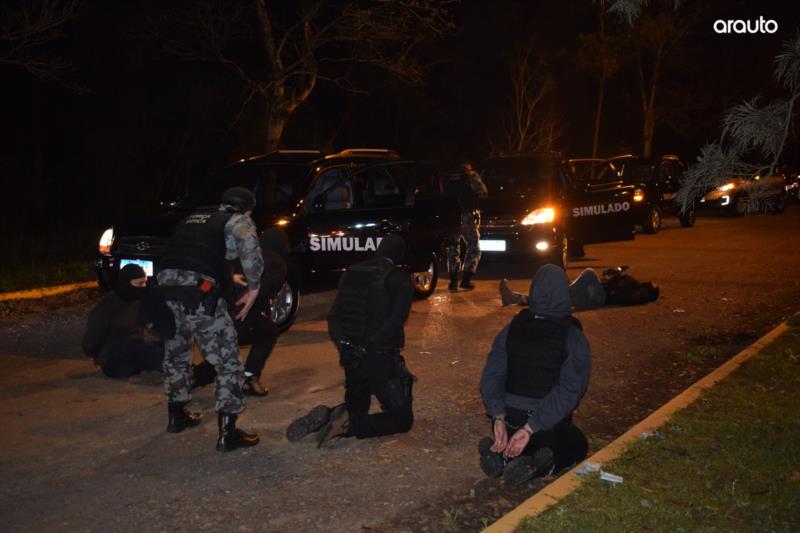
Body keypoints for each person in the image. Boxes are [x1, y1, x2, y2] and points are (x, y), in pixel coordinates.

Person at [157, 186, 264, 452]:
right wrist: (254, 286)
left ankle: (176, 416)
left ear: (221, 203)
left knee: (176, 353)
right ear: (248, 209)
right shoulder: (238, 220)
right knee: (228, 363)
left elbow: (192, 255)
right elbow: (249, 246)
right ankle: (228, 434)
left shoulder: (193, 218)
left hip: (166, 290)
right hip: (198, 295)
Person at [286, 234, 415, 446]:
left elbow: (334, 317)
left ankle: (330, 416)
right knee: (402, 421)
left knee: (357, 409)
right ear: (398, 255)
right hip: (379, 360)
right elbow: (394, 322)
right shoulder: (398, 278)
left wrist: (344, 346)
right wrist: (367, 347)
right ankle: (351, 427)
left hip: (351, 360)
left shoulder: (352, 273)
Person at [479, 264, 591, 484]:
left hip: (509, 419)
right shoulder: (572, 335)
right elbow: (570, 390)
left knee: (521, 438)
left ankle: (502, 456)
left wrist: (498, 416)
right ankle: (539, 466)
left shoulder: (513, 327)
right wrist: (532, 427)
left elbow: (491, 375)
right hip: (543, 423)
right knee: (576, 443)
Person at [192, 228, 290, 397]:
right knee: (268, 333)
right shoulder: (277, 263)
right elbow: (264, 290)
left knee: (226, 350)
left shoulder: (241, 253)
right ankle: (249, 378)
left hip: (210, 314)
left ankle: (194, 377)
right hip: (239, 313)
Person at [82, 264, 174, 378]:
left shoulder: (139, 300)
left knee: (167, 346)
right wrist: (94, 354)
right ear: (126, 282)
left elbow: (160, 328)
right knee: (143, 351)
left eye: (145, 282)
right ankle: (180, 371)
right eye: (139, 284)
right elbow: (94, 334)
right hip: (114, 358)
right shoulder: (110, 304)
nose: (144, 286)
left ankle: (178, 367)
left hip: (136, 348)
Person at [499, 266, 659, 309]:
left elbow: (621, 297)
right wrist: (612, 276)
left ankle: (516, 298)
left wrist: (614, 282)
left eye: (651, 285)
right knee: (562, 287)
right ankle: (515, 298)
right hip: (598, 293)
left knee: (589, 272)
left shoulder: (640, 294)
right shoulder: (636, 285)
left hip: (601, 297)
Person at [443, 160, 488, 291]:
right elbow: (484, 193)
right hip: (467, 216)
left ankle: (453, 281)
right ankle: (466, 279)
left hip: (450, 217)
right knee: (473, 247)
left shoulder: (446, 177)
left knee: (452, 248)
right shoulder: (471, 176)